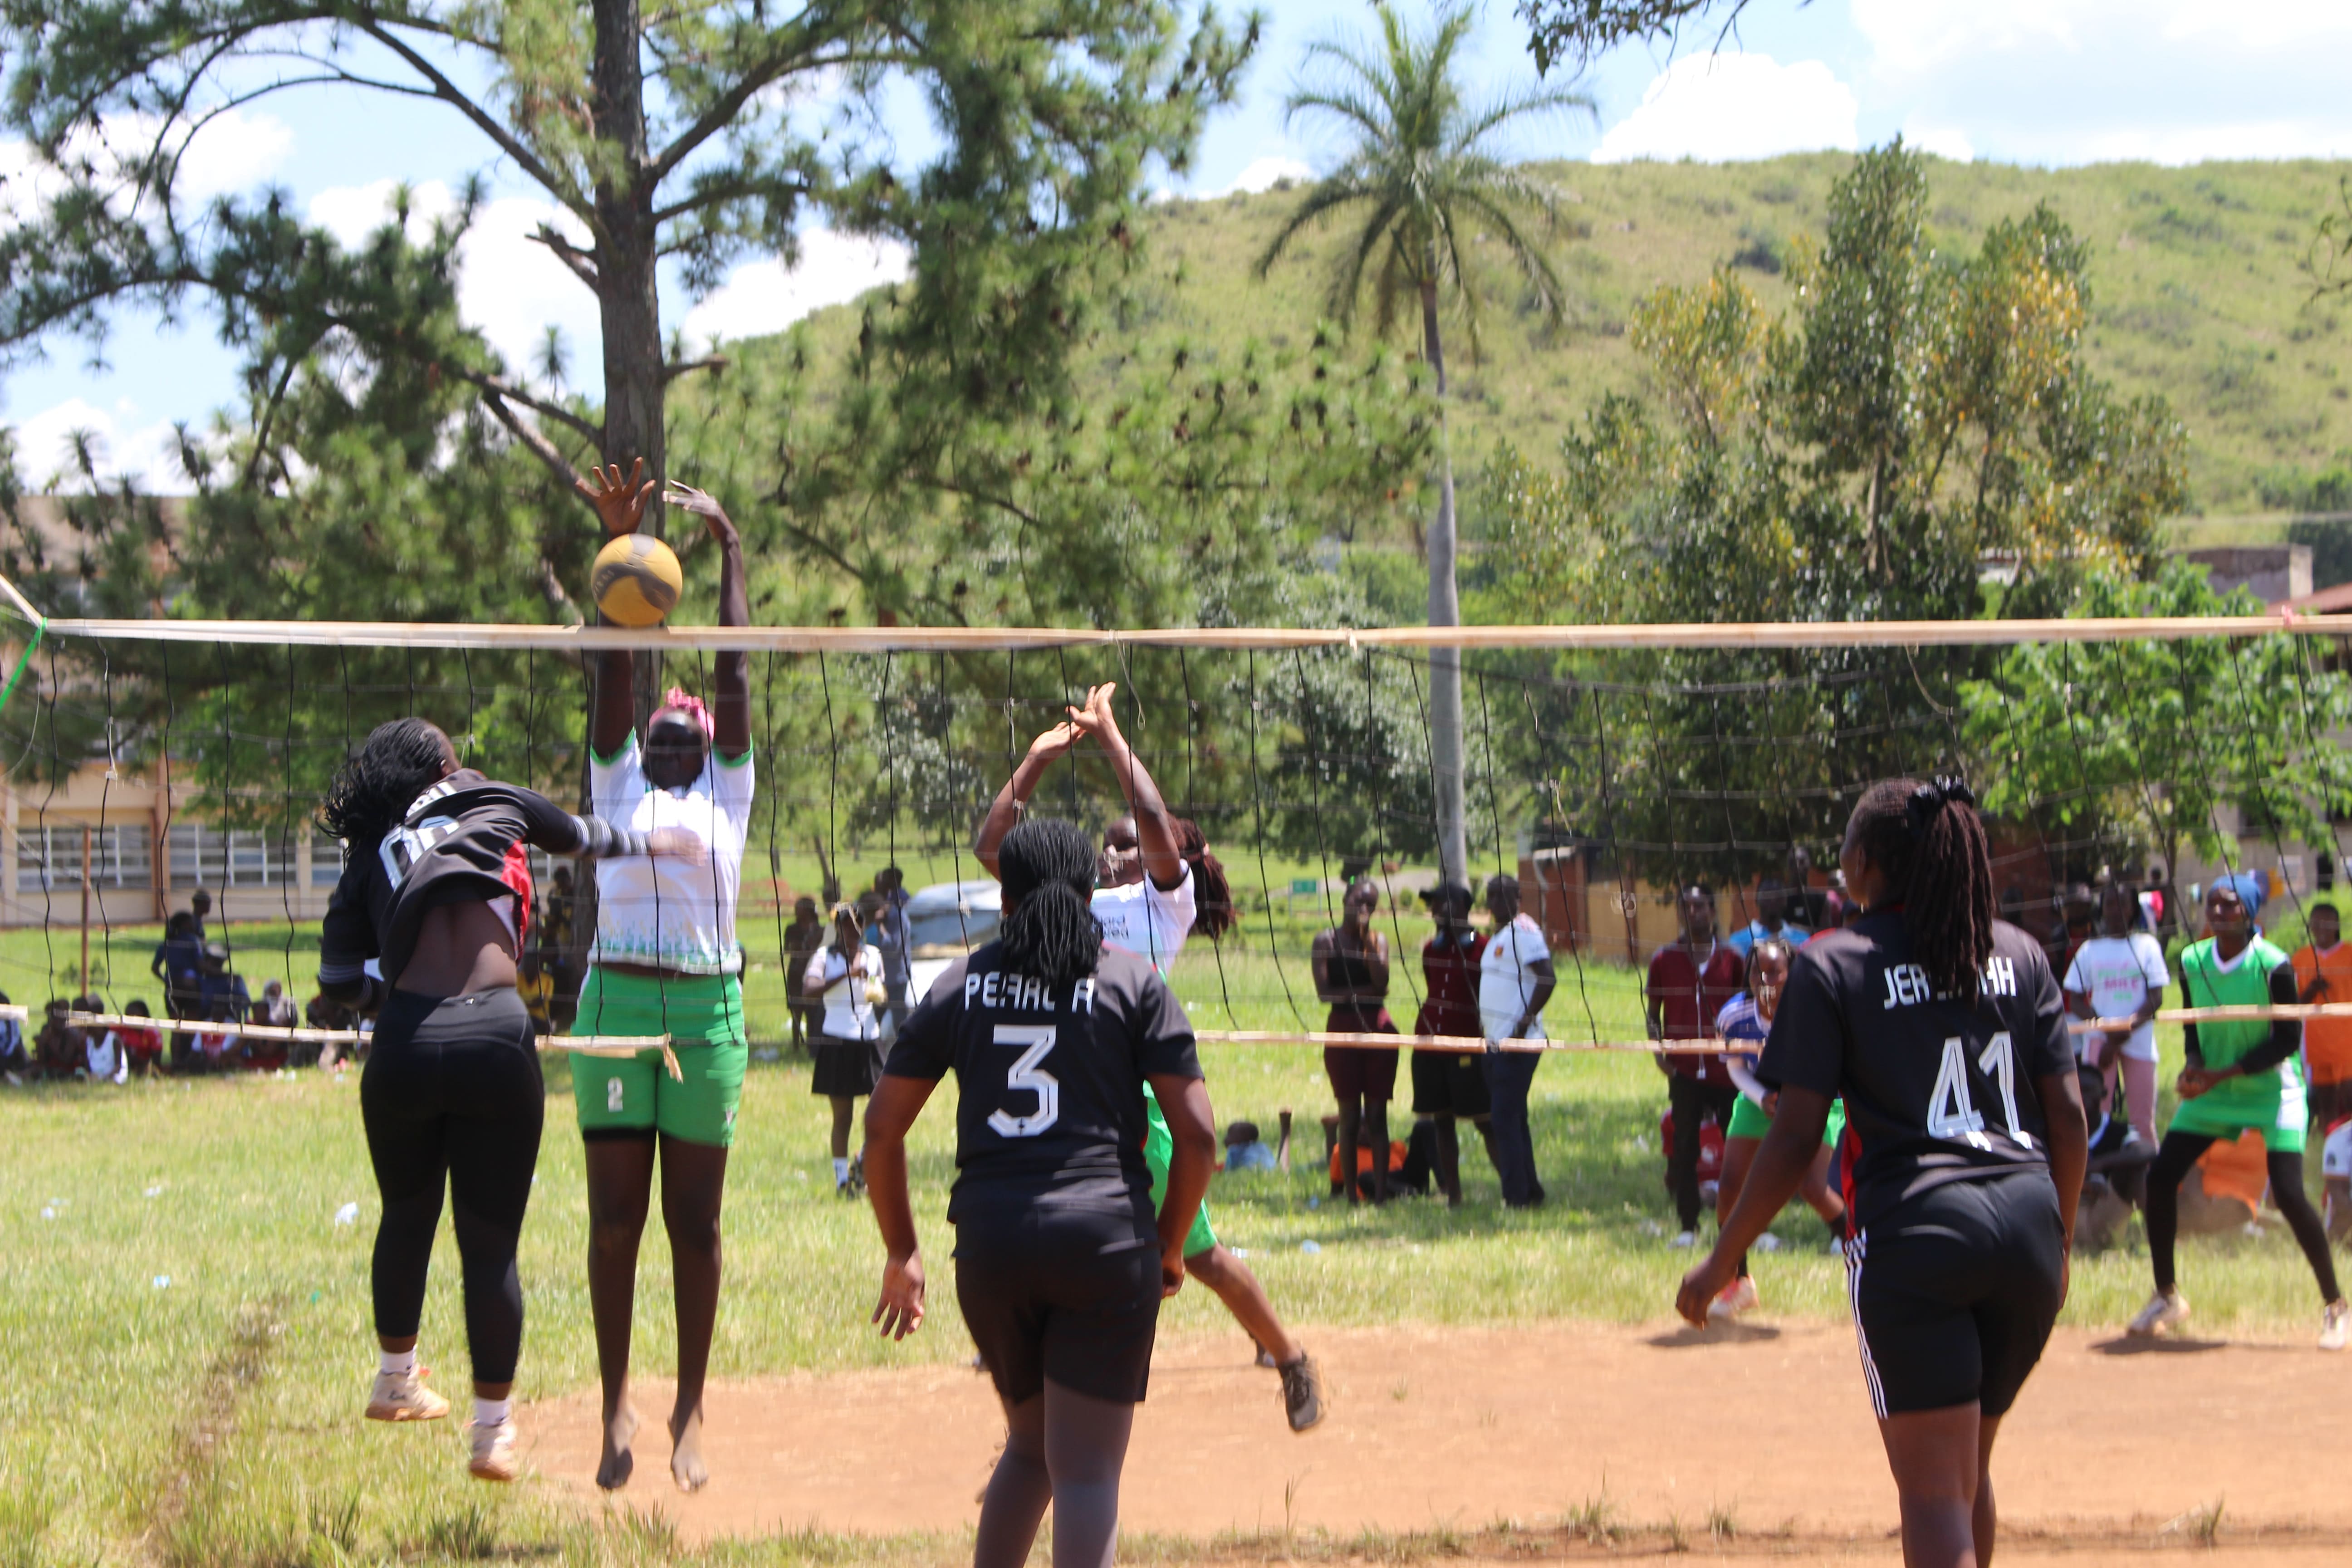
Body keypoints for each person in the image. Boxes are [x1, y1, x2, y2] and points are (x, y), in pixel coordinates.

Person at [1677, 777, 2087, 1568]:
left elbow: (1795, 1136)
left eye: (1842, 848)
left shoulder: (1833, 963)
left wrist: (1721, 1257)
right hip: (2027, 1232)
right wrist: (2060, 1239)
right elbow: (2066, 1119)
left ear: (1862, 862)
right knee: (1965, 1472)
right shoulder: (2018, 954)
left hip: (1916, 1239)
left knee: (1933, 1495)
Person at [315, 715, 696, 1483]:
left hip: (406, 1045)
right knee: (489, 1247)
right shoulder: (492, 797)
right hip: (495, 1036)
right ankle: (491, 1435)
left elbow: (337, 992)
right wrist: (650, 843)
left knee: (405, 1213)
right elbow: (583, 836)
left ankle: (397, 1374)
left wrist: (376, 997)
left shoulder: (371, 853)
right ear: (444, 766)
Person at [864, 816, 1220, 1568]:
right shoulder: (1130, 979)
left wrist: (903, 1250)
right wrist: (1167, 1245)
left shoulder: (960, 982)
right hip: (1103, 1241)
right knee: (1086, 1471)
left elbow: (882, 1129)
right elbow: (1198, 1138)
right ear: (1093, 893)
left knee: (1029, 1452)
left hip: (991, 1250)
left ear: (1004, 896)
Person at [973, 686, 1319, 1428]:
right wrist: (1034, 759)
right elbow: (992, 846)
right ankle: (1026, 1356)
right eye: (1110, 842)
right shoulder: (1072, 901)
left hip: (1137, 1103)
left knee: (1197, 1257)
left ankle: (1288, 1358)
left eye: (1128, 843)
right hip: (1072, 1096)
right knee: (1053, 1224)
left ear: (1173, 859)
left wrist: (1109, 736)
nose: (1116, 850)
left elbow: (1157, 823)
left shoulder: (1165, 905)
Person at [569, 461, 758, 1494]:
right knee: (613, 1223)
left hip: (704, 1008)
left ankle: (689, 1404)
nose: (675, 729)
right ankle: (613, 1402)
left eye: (690, 726)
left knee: (694, 1225)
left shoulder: (728, 798)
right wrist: (617, 549)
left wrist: (727, 546)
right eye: (661, 727)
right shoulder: (616, 781)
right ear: (642, 747)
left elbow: (731, 671)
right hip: (615, 1002)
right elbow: (614, 675)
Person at [2129, 880, 2348, 1349]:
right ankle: (2166, 1295)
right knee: (2162, 1176)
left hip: (2274, 1090)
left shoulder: (2274, 964)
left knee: (2289, 1193)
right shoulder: (2191, 961)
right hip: (2215, 1089)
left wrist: (2219, 1074)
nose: (2219, 908)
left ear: (2249, 912)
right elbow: (2193, 1026)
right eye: (2213, 902)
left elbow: (2288, 1041)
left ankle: (2336, 1305)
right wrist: (2193, 1066)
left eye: (2230, 902)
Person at [1708, 938, 1847, 1320]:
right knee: (1730, 1187)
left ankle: (1866, 1261)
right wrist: (1765, 1099)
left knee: (1814, 1189)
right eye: (1757, 971)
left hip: (1818, 1098)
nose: (1764, 979)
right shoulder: (1735, 1016)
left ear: (1792, 973)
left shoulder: (1809, 1013)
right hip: (1759, 1098)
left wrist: (1792, 1100)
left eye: (1774, 971)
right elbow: (1735, 1069)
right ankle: (1739, 1283)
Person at [1646, 885, 1745, 1246]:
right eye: (1687, 907)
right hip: (1685, 1072)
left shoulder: (1733, 958)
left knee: (1739, 1144)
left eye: (1700, 906)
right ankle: (1689, 1226)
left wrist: (1743, 1055)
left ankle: (1749, 1225)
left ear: (1713, 912)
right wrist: (1660, 1055)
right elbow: (1653, 1014)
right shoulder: (1664, 959)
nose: (1694, 913)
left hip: (1725, 1071)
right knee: (1685, 1147)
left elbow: (1745, 1008)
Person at [2062, 880, 2170, 1151]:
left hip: (2138, 1040)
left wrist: (2122, 1032)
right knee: (2094, 1116)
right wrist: (2106, 1029)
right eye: (2110, 903)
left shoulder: (2147, 946)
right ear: (2103, 908)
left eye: (2122, 903)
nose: (2115, 909)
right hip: (2100, 1042)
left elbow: (2156, 998)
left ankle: (2144, 1182)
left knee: (2143, 1120)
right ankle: (2094, 1176)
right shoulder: (2090, 950)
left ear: (2133, 908)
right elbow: (2075, 1000)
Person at [1311, 879, 1397, 1205]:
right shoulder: (1326, 941)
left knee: (1377, 1116)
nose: (1364, 909)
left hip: (1377, 1029)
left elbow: (1383, 981)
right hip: (1343, 1029)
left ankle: (1380, 1196)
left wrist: (1368, 943)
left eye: (1370, 905)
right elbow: (1324, 993)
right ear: (1346, 899)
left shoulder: (1378, 940)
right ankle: (1350, 1197)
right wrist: (1363, 994)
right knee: (1348, 1117)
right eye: (1359, 902)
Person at [1411, 882, 1494, 1207]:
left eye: (1442, 903)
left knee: (1485, 1120)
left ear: (1462, 907)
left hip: (1467, 1048)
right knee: (1441, 1121)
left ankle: (1512, 1188)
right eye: (1433, 905)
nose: (1436, 910)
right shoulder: (1432, 949)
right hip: (1430, 1046)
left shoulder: (1484, 948)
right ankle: (1454, 1196)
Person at [1480, 874, 1555, 1209]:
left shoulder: (1524, 931)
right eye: (1490, 895)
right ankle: (1530, 1190)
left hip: (1516, 1044)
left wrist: (1523, 1024)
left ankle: (1516, 1198)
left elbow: (1548, 978)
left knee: (1503, 1119)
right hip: (1495, 1044)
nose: (1494, 901)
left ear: (1517, 897)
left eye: (1501, 895)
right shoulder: (1498, 935)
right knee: (1513, 1118)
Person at [806, 899, 886, 1195]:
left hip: (869, 1040)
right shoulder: (825, 957)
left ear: (862, 927)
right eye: (845, 927)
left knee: (882, 1111)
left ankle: (862, 1162)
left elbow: (880, 992)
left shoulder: (873, 955)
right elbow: (809, 989)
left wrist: (872, 984)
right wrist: (846, 975)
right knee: (843, 1117)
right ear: (837, 928)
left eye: (855, 927)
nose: (851, 933)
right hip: (837, 1041)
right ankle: (842, 1181)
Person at [2291, 900, 2352, 1135]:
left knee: (2348, 1098)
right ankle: (2331, 1148)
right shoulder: (2301, 959)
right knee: (2326, 1102)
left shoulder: (2348, 954)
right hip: (2317, 1042)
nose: (2321, 928)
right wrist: (2311, 990)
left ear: (2337, 925)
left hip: (2347, 1042)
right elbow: (2293, 1006)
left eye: (2327, 923)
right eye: (2316, 923)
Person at [872, 867, 913, 1034]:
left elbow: (894, 947)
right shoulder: (890, 917)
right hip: (883, 976)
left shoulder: (898, 916)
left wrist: (880, 927)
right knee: (875, 1016)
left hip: (896, 978)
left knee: (899, 1021)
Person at [1727, 877, 1810, 956]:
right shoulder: (1738, 941)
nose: (1773, 900)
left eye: (1778, 895)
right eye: (1767, 895)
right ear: (1757, 900)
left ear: (1786, 900)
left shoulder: (1802, 940)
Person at [784, 894, 825, 1052]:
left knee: (812, 1012)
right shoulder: (792, 929)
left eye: (799, 908)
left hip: (813, 975)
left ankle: (811, 1046)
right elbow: (787, 949)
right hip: (795, 975)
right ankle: (795, 1046)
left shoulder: (819, 930)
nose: (795, 911)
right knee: (796, 1012)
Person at [152, 912, 203, 1019]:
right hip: (190, 986)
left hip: (172, 987)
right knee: (191, 1027)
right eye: (192, 923)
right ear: (185, 924)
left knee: (176, 1029)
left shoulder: (166, 943)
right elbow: (201, 965)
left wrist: (166, 980)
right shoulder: (193, 940)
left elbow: (155, 968)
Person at [113, 999, 165, 1077]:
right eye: (127, 1015)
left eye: (132, 1015)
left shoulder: (153, 1032)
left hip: (146, 1065)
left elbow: (156, 1059)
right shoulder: (124, 1028)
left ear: (142, 1014)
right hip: (128, 1062)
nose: (128, 1018)